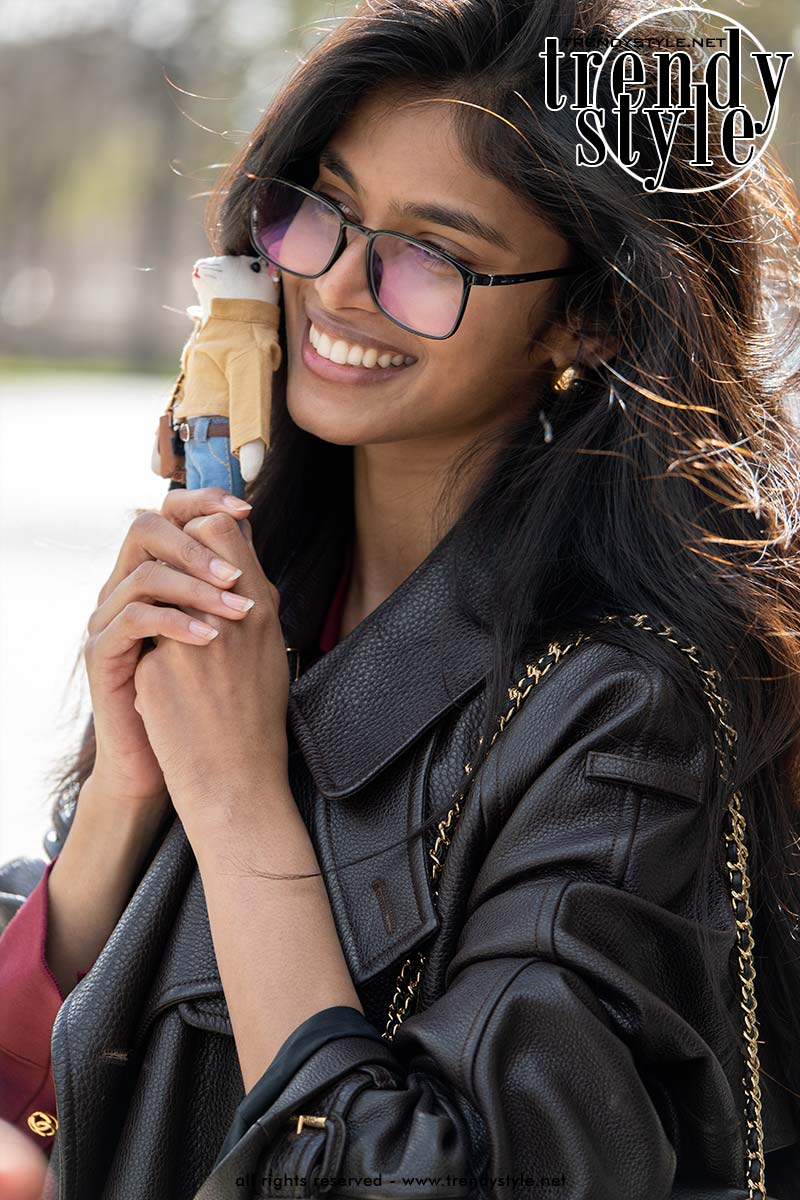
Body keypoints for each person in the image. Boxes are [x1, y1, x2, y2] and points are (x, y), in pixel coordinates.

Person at [1, 0, 800, 1196]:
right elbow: (40, 1088)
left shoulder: (627, 713)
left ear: (582, 313)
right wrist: (130, 784)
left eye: (431, 254)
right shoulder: (265, 592)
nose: (336, 285)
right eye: (321, 208)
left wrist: (235, 801)